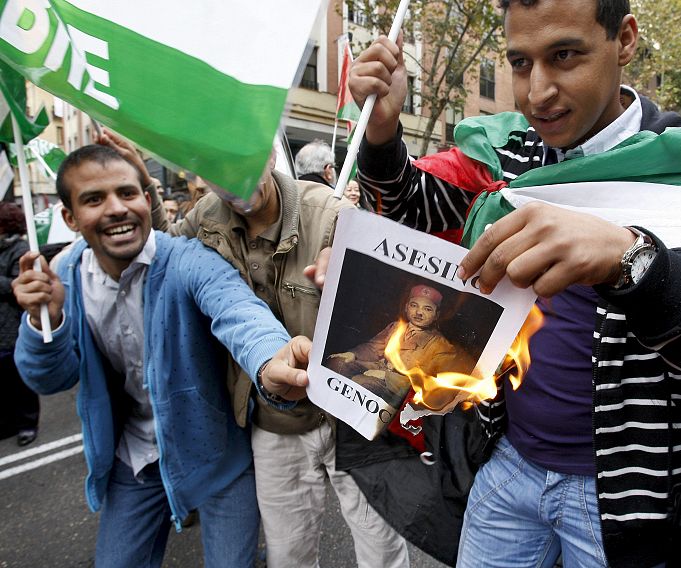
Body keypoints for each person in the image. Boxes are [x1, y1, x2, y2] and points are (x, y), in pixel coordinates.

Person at [348, 0, 681, 566]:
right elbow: (416, 208)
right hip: (507, 465)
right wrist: (384, 130)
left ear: (625, 40)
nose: (538, 92)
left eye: (564, 56)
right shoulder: (512, 150)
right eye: (519, 62)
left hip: (627, 502)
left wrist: (630, 261)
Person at [95, 130, 409, 567]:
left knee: (381, 546)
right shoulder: (204, 219)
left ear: (267, 153)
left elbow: (392, 299)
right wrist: (142, 185)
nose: (237, 185)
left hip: (349, 417)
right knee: (288, 554)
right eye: (218, 174)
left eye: (243, 163)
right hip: (274, 423)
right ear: (201, 178)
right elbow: (166, 257)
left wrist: (360, 275)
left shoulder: (330, 214)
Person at [12, 144, 310, 568]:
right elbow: (49, 380)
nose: (117, 209)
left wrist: (270, 360)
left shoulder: (188, 260)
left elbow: (238, 311)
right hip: (131, 464)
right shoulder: (62, 275)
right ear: (70, 218)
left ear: (146, 199)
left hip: (216, 460)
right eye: (95, 199)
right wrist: (49, 319)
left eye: (127, 193)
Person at [327, 283, 470, 408]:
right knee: (337, 364)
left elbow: (426, 384)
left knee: (362, 383)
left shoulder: (442, 347)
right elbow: (373, 348)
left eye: (427, 309)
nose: (419, 312)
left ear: (437, 315)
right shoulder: (396, 327)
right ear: (407, 307)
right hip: (379, 367)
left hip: (398, 385)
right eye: (414, 305)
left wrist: (386, 376)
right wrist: (353, 354)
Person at [0, 202, 38, 446]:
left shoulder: (20, 249)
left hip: (12, 324)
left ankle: (27, 423)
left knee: (18, 378)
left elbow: (20, 285)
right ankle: (7, 422)